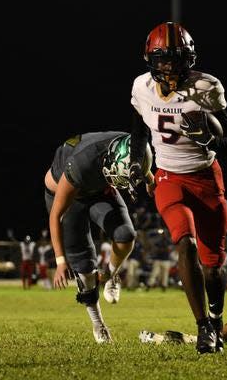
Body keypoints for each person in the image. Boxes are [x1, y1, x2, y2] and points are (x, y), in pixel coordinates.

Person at [128, 22, 227, 354]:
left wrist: (210, 138)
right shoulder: (141, 88)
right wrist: (138, 165)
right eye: (163, 59)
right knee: (184, 240)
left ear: (188, 59)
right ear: (151, 59)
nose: (169, 67)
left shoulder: (206, 87)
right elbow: (137, 135)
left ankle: (217, 321)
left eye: (176, 59)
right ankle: (203, 327)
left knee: (213, 264)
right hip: (168, 178)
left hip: (205, 179)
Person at [44, 131, 153, 343]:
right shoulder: (81, 164)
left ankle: (111, 275)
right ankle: (98, 324)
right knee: (84, 266)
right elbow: (56, 215)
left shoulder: (128, 145)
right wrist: (60, 261)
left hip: (97, 187)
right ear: (109, 162)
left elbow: (139, 159)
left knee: (125, 234)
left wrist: (148, 177)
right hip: (67, 196)